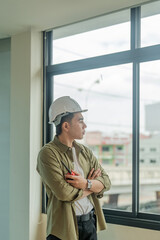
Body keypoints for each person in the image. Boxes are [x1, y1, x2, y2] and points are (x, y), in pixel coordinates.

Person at [37, 96, 111, 240]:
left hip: (90, 223)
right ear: (66, 126)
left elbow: (106, 182)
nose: (85, 126)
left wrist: (85, 183)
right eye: (80, 120)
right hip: (63, 229)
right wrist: (92, 187)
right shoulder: (47, 153)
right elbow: (64, 194)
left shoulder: (85, 151)